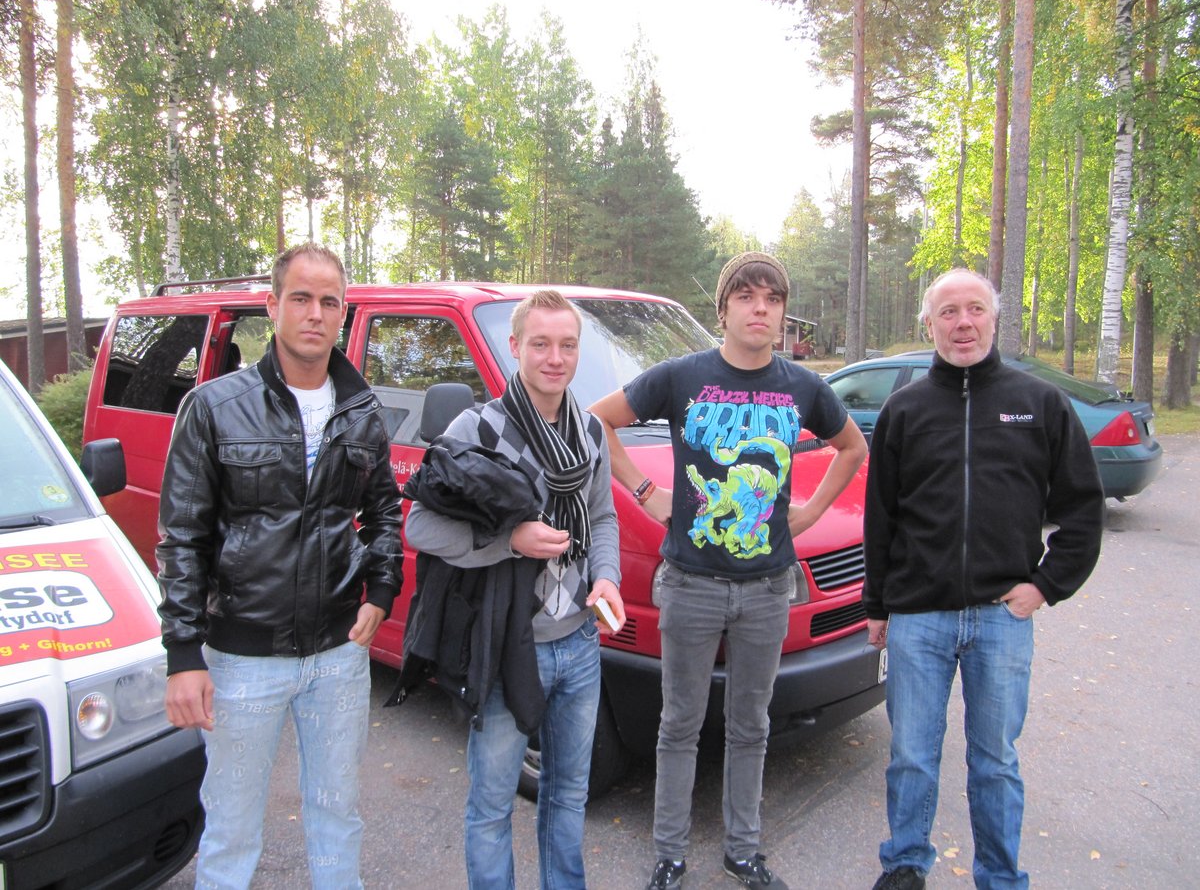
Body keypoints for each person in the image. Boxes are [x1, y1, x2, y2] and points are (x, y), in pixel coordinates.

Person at [590, 251, 868, 890]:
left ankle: (743, 852)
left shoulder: (803, 387)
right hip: (690, 584)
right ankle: (669, 855)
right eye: (746, 297)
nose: (759, 308)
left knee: (751, 727)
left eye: (772, 298)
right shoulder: (681, 376)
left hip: (768, 589)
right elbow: (598, 420)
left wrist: (810, 511)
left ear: (783, 314)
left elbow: (851, 447)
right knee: (678, 725)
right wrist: (643, 492)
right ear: (724, 310)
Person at [157, 242, 403, 889]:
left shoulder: (362, 410)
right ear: (272, 306)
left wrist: (382, 587)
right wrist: (183, 653)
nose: (315, 313)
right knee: (232, 829)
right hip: (243, 660)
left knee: (337, 815)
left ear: (343, 314)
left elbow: (383, 510)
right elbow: (181, 537)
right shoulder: (213, 407)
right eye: (301, 298)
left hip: (338, 657)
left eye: (329, 301)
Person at [863, 268, 1104, 890]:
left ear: (995, 319)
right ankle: (905, 865)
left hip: (1002, 617)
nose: (962, 323)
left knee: (995, 761)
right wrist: (877, 605)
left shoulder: (1040, 404)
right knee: (911, 756)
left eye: (975, 309)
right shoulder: (904, 410)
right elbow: (881, 516)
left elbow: (1082, 507)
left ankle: (999, 876)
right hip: (919, 617)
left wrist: (1047, 585)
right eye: (948, 312)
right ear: (929, 324)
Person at [404, 290, 626, 890]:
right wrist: (510, 540)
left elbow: (602, 517)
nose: (555, 358)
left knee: (568, 794)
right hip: (507, 646)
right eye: (541, 344)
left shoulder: (590, 431)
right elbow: (420, 526)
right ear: (515, 347)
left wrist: (607, 575)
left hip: (579, 645)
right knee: (492, 803)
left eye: (567, 345)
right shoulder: (477, 428)